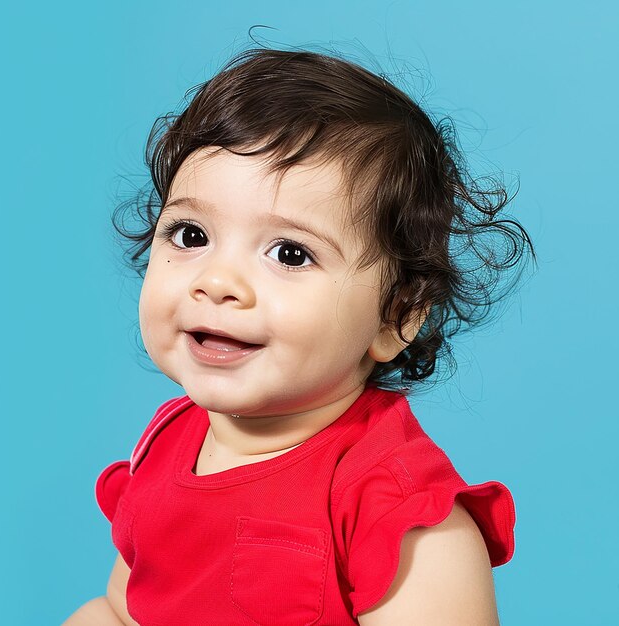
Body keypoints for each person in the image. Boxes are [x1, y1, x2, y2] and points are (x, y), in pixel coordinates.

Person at [64, 46, 535, 625]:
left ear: (396, 317)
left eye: (289, 253)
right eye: (189, 235)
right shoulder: (166, 445)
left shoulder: (399, 514)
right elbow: (123, 608)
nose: (217, 281)